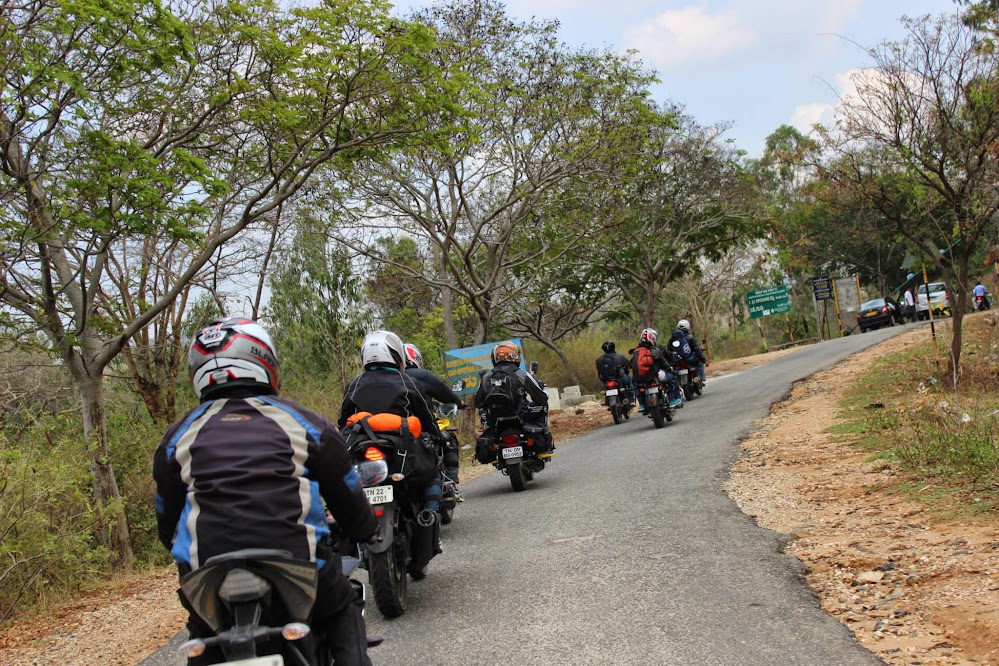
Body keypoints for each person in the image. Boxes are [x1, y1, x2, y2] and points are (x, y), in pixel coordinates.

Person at [154, 317, 377, 666]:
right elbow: (347, 493)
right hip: (298, 564)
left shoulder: (177, 436)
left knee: (203, 634)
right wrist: (364, 528)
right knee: (341, 608)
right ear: (264, 360)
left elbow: (166, 518)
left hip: (206, 573)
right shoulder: (304, 423)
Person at [339, 331, 442, 516]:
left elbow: (343, 420)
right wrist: (435, 437)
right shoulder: (408, 381)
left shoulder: (355, 384)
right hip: (402, 447)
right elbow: (426, 416)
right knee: (432, 471)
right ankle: (430, 513)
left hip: (362, 446)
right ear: (396, 354)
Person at [403, 342, 464, 493]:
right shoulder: (421, 376)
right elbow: (445, 394)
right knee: (448, 439)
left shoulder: (375, 379)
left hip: (387, 432)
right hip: (420, 428)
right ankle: (449, 482)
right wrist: (458, 403)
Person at [474, 340, 553, 454]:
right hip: (522, 415)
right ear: (515, 356)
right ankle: (543, 434)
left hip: (495, 419)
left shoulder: (486, 377)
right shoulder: (521, 374)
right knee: (543, 404)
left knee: (483, 410)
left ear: (494, 358)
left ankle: (488, 430)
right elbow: (541, 397)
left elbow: (478, 402)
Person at [630, 328, 682, 409]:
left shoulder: (636, 352)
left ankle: (642, 404)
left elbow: (631, 365)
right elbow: (664, 363)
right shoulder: (656, 350)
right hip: (655, 375)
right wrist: (671, 370)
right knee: (672, 377)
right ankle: (671, 400)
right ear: (652, 338)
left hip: (640, 378)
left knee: (635, 384)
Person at [675, 319, 708, 385]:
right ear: (687, 326)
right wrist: (703, 360)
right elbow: (697, 349)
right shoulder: (690, 337)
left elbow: (669, 349)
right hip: (689, 358)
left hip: (677, 359)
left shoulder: (673, 337)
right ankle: (699, 377)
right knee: (699, 363)